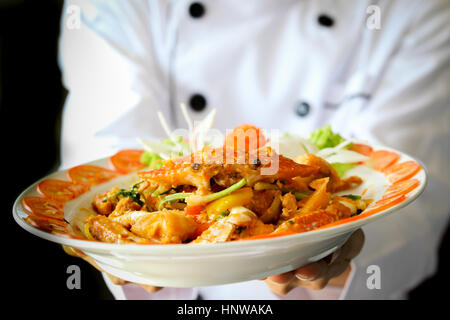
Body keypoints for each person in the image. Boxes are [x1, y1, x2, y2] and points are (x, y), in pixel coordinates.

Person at [58, 0, 450, 299]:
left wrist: (348, 246)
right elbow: (106, 148)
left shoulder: (413, 8)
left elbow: (414, 191)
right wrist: (123, 250)